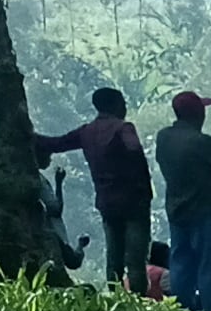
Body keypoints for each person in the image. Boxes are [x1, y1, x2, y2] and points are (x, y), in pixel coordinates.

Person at [36, 87, 153, 292]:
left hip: (107, 202)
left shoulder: (86, 132)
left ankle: (115, 297)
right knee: (135, 258)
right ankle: (139, 299)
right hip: (134, 201)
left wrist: (29, 134)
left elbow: (55, 143)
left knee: (113, 255)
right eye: (123, 103)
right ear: (116, 105)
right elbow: (135, 150)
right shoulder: (124, 128)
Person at [154, 92, 211, 311]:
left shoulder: (163, 138)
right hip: (207, 210)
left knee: (181, 260)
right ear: (197, 114)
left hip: (176, 209)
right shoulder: (203, 142)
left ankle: (184, 308)